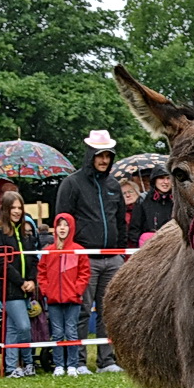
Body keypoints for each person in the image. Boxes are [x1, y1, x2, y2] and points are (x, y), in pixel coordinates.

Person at [54, 130, 126, 373]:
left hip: (113, 258)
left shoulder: (114, 185)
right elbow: (62, 221)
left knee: (110, 312)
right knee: (82, 310)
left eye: (108, 155)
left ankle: (107, 360)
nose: (104, 160)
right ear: (90, 155)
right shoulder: (72, 183)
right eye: (100, 155)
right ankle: (79, 360)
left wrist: (121, 253)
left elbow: (120, 222)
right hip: (83, 258)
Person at [0, 191, 44, 378]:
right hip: (9, 288)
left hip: (25, 288)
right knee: (23, 326)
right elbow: (0, 263)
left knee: (12, 329)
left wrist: (31, 281)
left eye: (20, 208)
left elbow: (33, 259)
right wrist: (21, 282)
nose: (17, 211)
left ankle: (12, 367)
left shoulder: (25, 231)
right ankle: (28, 362)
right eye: (13, 208)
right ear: (5, 209)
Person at [38, 211, 92, 377]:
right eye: (59, 225)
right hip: (54, 299)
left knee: (71, 332)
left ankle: (73, 365)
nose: (62, 229)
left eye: (66, 225)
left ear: (72, 228)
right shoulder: (48, 251)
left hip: (73, 299)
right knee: (57, 333)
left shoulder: (78, 250)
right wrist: (46, 290)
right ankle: (59, 365)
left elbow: (85, 273)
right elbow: (42, 273)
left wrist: (77, 290)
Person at [130, 170, 175, 246]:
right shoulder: (143, 200)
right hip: (148, 246)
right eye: (161, 178)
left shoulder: (177, 201)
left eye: (168, 178)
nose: (165, 182)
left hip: (172, 245)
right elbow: (135, 228)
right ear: (154, 180)